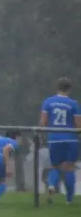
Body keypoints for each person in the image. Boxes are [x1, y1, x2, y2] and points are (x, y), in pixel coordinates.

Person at [39, 77, 81, 205]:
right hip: (71, 139)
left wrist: (41, 134)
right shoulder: (73, 104)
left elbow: (43, 122)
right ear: (69, 89)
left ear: (57, 87)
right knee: (69, 168)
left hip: (54, 139)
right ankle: (69, 199)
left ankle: (51, 185)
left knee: (55, 166)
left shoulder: (48, 102)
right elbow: (78, 124)